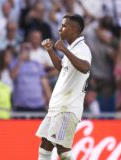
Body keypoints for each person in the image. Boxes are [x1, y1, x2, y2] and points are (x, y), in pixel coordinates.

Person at [36, 14, 92, 160]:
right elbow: (62, 69)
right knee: (45, 144)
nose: (59, 28)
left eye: (63, 26)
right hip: (57, 107)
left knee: (63, 150)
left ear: (73, 30)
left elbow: (85, 67)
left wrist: (64, 50)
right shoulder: (72, 48)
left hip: (67, 108)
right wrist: (51, 50)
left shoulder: (82, 48)